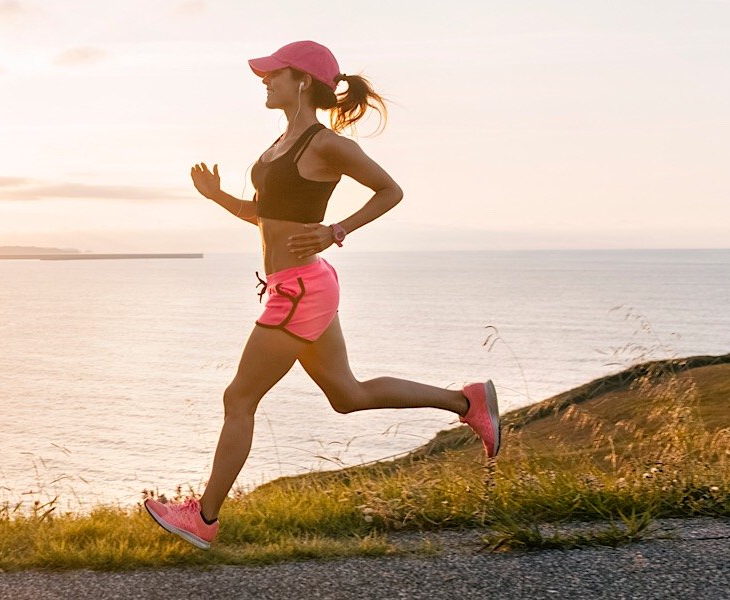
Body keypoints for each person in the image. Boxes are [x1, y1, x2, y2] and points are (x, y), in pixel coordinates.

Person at [142, 40, 501, 550]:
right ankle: (466, 401)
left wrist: (337, 230)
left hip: (300, 292)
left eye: (274, 74)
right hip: (297, 287)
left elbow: (390, 191)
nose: (265, 81)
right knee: (347, 395)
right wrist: (217, 196)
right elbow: (264, 215)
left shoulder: (325, 143)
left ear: (303, 81)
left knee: (239, 398)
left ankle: (204, 518)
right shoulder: (280, 143)